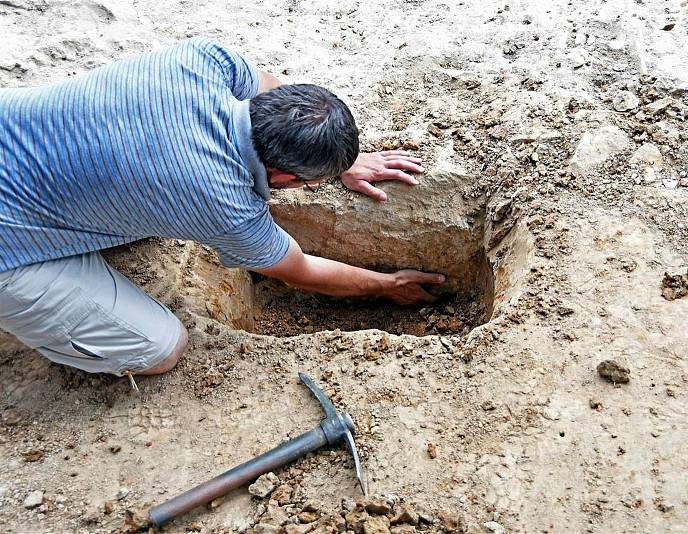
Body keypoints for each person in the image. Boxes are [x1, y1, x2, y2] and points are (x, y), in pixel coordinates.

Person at [0, 37, 444, 378]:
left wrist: (339, 160)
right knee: (160, 348)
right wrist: (386, 285)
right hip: (9, 246)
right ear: (287, 178)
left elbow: (272, 87)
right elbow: (300, 270)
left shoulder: (204, 59)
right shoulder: (225, 203)